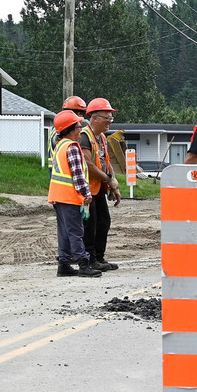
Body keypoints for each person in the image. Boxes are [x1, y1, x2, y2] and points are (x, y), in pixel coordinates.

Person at [47, 110, 97, 277]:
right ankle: (83, 263)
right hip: (69, 196)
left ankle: (64, 264)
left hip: (58, 196)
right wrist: (87, 194)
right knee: (76, 231)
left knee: (64, 231)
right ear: (69, 129)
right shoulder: (72, 147)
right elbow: (78, 175)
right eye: (78, 126)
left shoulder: (60, 145)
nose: (80, 129)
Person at [81, 97, 121, 271]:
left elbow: (105, 160)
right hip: (88, 189)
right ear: (95, 118)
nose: (110, 122)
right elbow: (88, 165)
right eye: (107, 118)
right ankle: (90, 259)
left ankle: (99, 257)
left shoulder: (101, 138)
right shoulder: (85, 137)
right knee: (91, 225)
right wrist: (106, 178)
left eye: (111, 119)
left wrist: (113, 183)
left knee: (103, 221)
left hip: (99, 188)